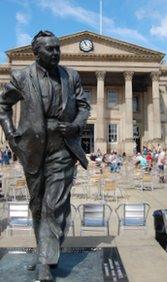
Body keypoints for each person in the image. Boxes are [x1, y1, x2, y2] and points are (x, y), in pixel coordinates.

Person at [0, 30, 90, 281]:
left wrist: (75, 126)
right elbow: (3, 106)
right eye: (50, 49)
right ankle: (44, 251)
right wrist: (11, 137)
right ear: (36, 52)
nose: (56, 53)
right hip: (32, 149)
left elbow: (84, 106)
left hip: (62, 148)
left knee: (53, 205)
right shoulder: (21, 77)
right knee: (38, 206)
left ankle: (44, 261)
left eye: (58, 48)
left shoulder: (70, 76)